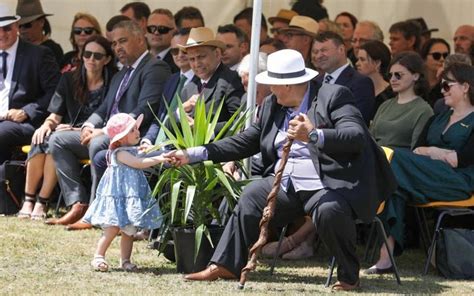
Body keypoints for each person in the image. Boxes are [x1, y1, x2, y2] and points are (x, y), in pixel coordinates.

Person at [168, 49, 397, 291]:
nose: (269, 90)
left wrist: (313, 135)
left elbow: (356, 136)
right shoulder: (272, 105)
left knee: (330, 210)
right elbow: (247, 141)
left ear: (287, 84)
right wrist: (193, 154)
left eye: (273, 85)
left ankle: (349, 276)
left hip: (327, 182)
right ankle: (225, 265)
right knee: (252, 194)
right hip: (286, 183)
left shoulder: (335, 96)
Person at [45, 20, 171, 229]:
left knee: (99, 144)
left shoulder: (155, 67)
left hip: (132, 137)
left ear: (140, 39)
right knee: (58, 140)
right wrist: (88, 125)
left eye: (123, 41)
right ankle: (78, 203)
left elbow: (146, 109)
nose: (117, 47)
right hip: (106, 132)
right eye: (114, 44)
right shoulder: (122, 73)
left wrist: (104, 130)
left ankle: (98, 213)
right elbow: (104, 108)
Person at [368, 63, 474, 274]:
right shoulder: (437, 118)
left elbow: (458, 160)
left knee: (392, 159)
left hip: (459, 183)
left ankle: (385, 252)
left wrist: (432, 151)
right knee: (394, 185)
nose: (442, 90)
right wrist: (439, 153)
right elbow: (417, 151)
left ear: (465, 87)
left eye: (447, 85)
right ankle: (385, 254)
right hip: (425, 177)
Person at [17, 35, 116, 220]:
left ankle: (43, 200)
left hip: (95, 135)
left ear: (107, 59)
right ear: (81, 55)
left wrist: (73, 129)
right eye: (87, 54)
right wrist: (46, 124)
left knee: (56, 140)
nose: (91, 59)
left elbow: (108, 120)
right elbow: (55, 114)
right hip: (68, 132)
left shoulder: (113, 82)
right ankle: (30, 200)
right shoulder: (69, 79)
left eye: (97, 56)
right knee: (42, 138)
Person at [84, 113, 166, 272]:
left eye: (136, 128)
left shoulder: (130, 150)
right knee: (112, 228)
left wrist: (146, 149)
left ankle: (125, 260)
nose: (137, 132)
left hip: (129, 197)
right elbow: (138, 163)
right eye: (132, 130)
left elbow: (138, 155)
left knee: (130, 230)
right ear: (120, 138)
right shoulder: (120, 153)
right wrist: (160, 158)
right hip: (118, 197)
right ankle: (98, 256)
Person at [0, 4, 60, 164]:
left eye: (6, 28)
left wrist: (26, 111)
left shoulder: (39, 54)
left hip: (24, 122)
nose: (1, 34)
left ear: (16, 27)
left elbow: (55, 92)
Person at [178, 27, 243, 128]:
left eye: (201, 57)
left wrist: (206, 129)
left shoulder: (231, 81)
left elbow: (239, 123)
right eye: (191, 59)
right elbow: (171, 128)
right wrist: (180, 111)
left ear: (217, 54)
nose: (197, 64)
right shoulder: (188, 88)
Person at [370, 52, 433, 149]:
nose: (393, 79)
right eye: (390, 75)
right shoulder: (385, 105)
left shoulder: (423, 110)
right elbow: (370, 137)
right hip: (375, 158)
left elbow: (417, 149)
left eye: (398, 75)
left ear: (415, 76)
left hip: (399, 161)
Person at [312, 31, 375, 125]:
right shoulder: (314, 82)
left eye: (324, 50)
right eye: (315, 52)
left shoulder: (360, 83)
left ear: (341, 49)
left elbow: (355, 122)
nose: (318, 56)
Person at [16, 0, 63, 65]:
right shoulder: (16, 48)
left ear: (41, 22)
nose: (22, 30)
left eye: (27, 25)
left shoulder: (53, 49)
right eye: (19, 26)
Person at [356, 40, 394, 113]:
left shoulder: (390, 94)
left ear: (377, 63)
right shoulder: (359, 90)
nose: (357, 63)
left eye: (362, 60)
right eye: (358, 59)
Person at [146, 8, 178, 73]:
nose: (156, 33)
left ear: (174, 32)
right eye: (152, 28)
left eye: (162, 29)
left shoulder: (178, 60)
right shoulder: (140, 58)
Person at [420, 38, 450, 106]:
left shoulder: (451, 84)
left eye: (445, 55)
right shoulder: (416, 83)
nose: (442, 59)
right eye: (436, 55)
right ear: (424, 58)